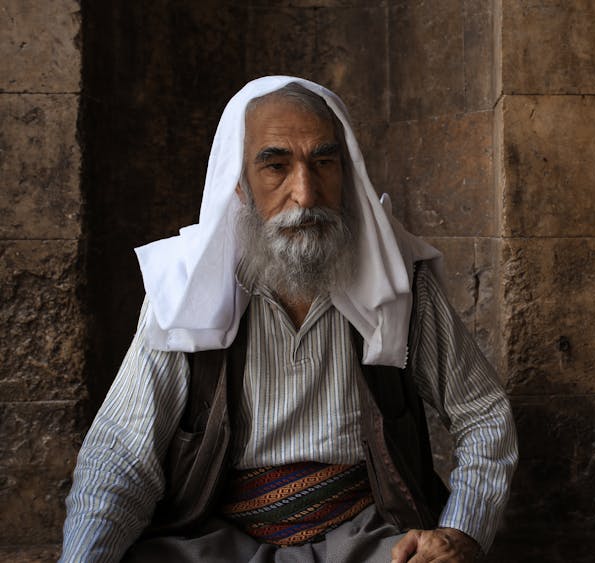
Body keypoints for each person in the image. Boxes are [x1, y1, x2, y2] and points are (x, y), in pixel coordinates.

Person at [60, 76, 517, 563]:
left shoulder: (398, 278)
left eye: (323, 162)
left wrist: (462, 531)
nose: (306, 193)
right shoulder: (187, 290)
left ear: (348, 173)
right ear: (239, 185)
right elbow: (121, 455)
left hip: (369, 535)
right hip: (218, 538)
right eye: (276, 166)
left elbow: (482, 413)